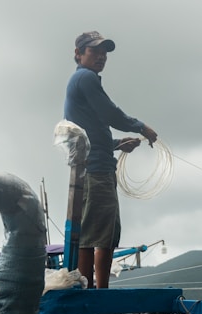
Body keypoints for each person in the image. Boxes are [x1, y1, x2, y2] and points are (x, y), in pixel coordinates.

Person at [64, 31, 158, 289]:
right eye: (94, 51)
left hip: (95, 167)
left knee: (99, 233)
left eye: (104, 52)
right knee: (99, 237)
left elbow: (94, 128)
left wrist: (117, 144)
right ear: (78, 54)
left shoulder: (82, 80)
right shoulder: (85, 78)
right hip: (96, 171)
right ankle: (95, 294)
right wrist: (141, 127)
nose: (101, 56)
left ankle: (91, 292)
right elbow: (109, 113)